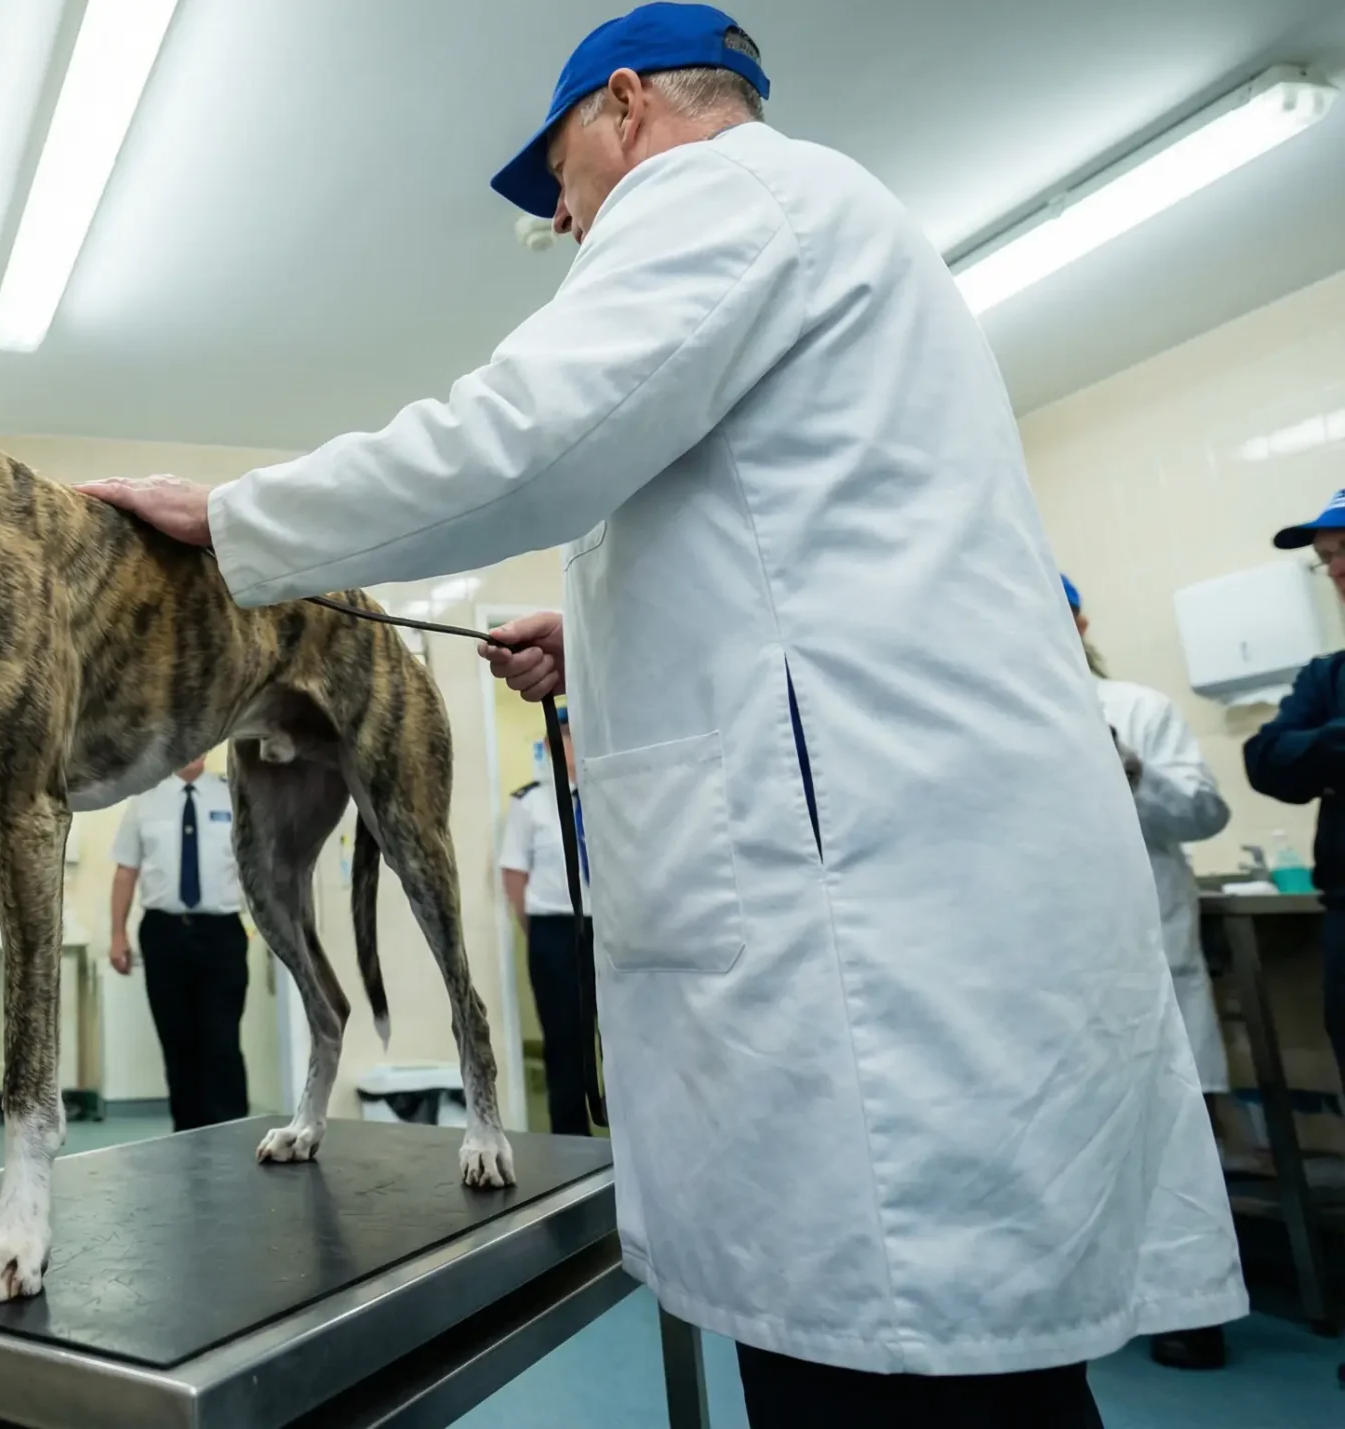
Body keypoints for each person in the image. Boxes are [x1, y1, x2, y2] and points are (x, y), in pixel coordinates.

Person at [81, 5, 1241, 1422]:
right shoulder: (816, 224)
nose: (565, 222)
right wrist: (604, 639)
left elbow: (533, 438)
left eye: (558, 182)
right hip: (912, 880)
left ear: (626, 106)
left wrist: (240, 517)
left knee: (895, 1375)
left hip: (870, 941)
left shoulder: (719, 192)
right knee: (943, 1369)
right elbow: (796, 555)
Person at [1068, 576, 1240, 1371]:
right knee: (1075, 1135)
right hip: (1057, 964)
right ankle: (1092, 1304)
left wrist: (1133, 773)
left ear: (1079, 618)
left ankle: (1190, 1308)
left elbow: (1204, 812)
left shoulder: (1133, 705)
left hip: (1147, 949)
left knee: (1173, 1124)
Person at [1241, 490, 1345, 1392]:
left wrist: (1328, 748)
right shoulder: (1327, 672)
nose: (1337, 568)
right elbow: (1272, 761)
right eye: (1327, 558)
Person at [107, 756, 251, 1131]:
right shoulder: (143, 798)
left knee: (222, 1044)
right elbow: (126, 871)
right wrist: (117, 934)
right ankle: (188, 1140)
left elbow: (257, 863)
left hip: (222, 935)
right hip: (163, 934)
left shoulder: (232, 795)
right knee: (178, 1046)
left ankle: (230, 1140)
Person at [497, 708, 598, 1136]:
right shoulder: (531, 804)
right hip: (554, 934)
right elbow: (514, 876)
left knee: (623, 1040)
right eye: (554, 740)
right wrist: (535, 931)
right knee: (564, 1043)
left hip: (608, 933)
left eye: (570, 737)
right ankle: (572, 1149)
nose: (562, 748)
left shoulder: (607, 797)